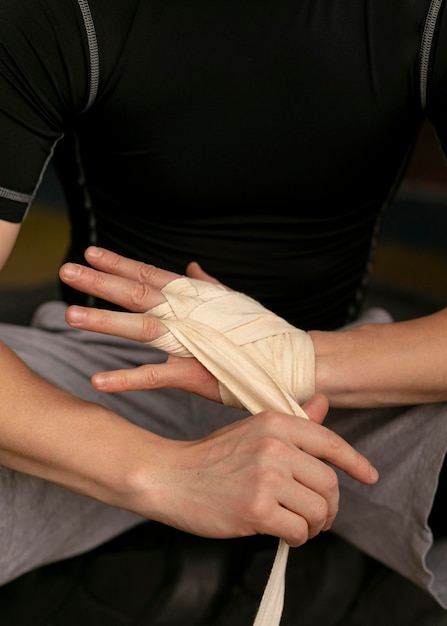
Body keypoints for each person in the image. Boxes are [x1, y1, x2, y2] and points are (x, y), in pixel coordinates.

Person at [0, 0, 446, 618]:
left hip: (352, 384)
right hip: (107, 375)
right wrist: (158, 472)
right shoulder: (57, 13)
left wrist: (291, 360)